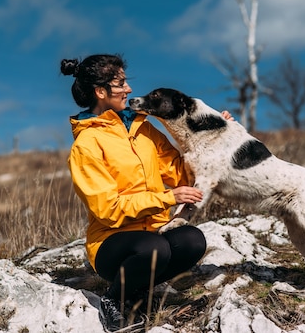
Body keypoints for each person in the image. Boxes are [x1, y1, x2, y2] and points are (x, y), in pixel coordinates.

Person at [60, 54, 231, 332]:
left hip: (152, 233)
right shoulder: (87, 144)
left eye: (126, 82)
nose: (128, 89)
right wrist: (167, 198)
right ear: (100, 92)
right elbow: (107, 209)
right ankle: (114, 300)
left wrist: (211, 137)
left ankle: (137, 291)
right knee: (155, 249)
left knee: (192, 241)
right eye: (121, 83)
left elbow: (181, 174)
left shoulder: (144, 129)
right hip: (111, 243)